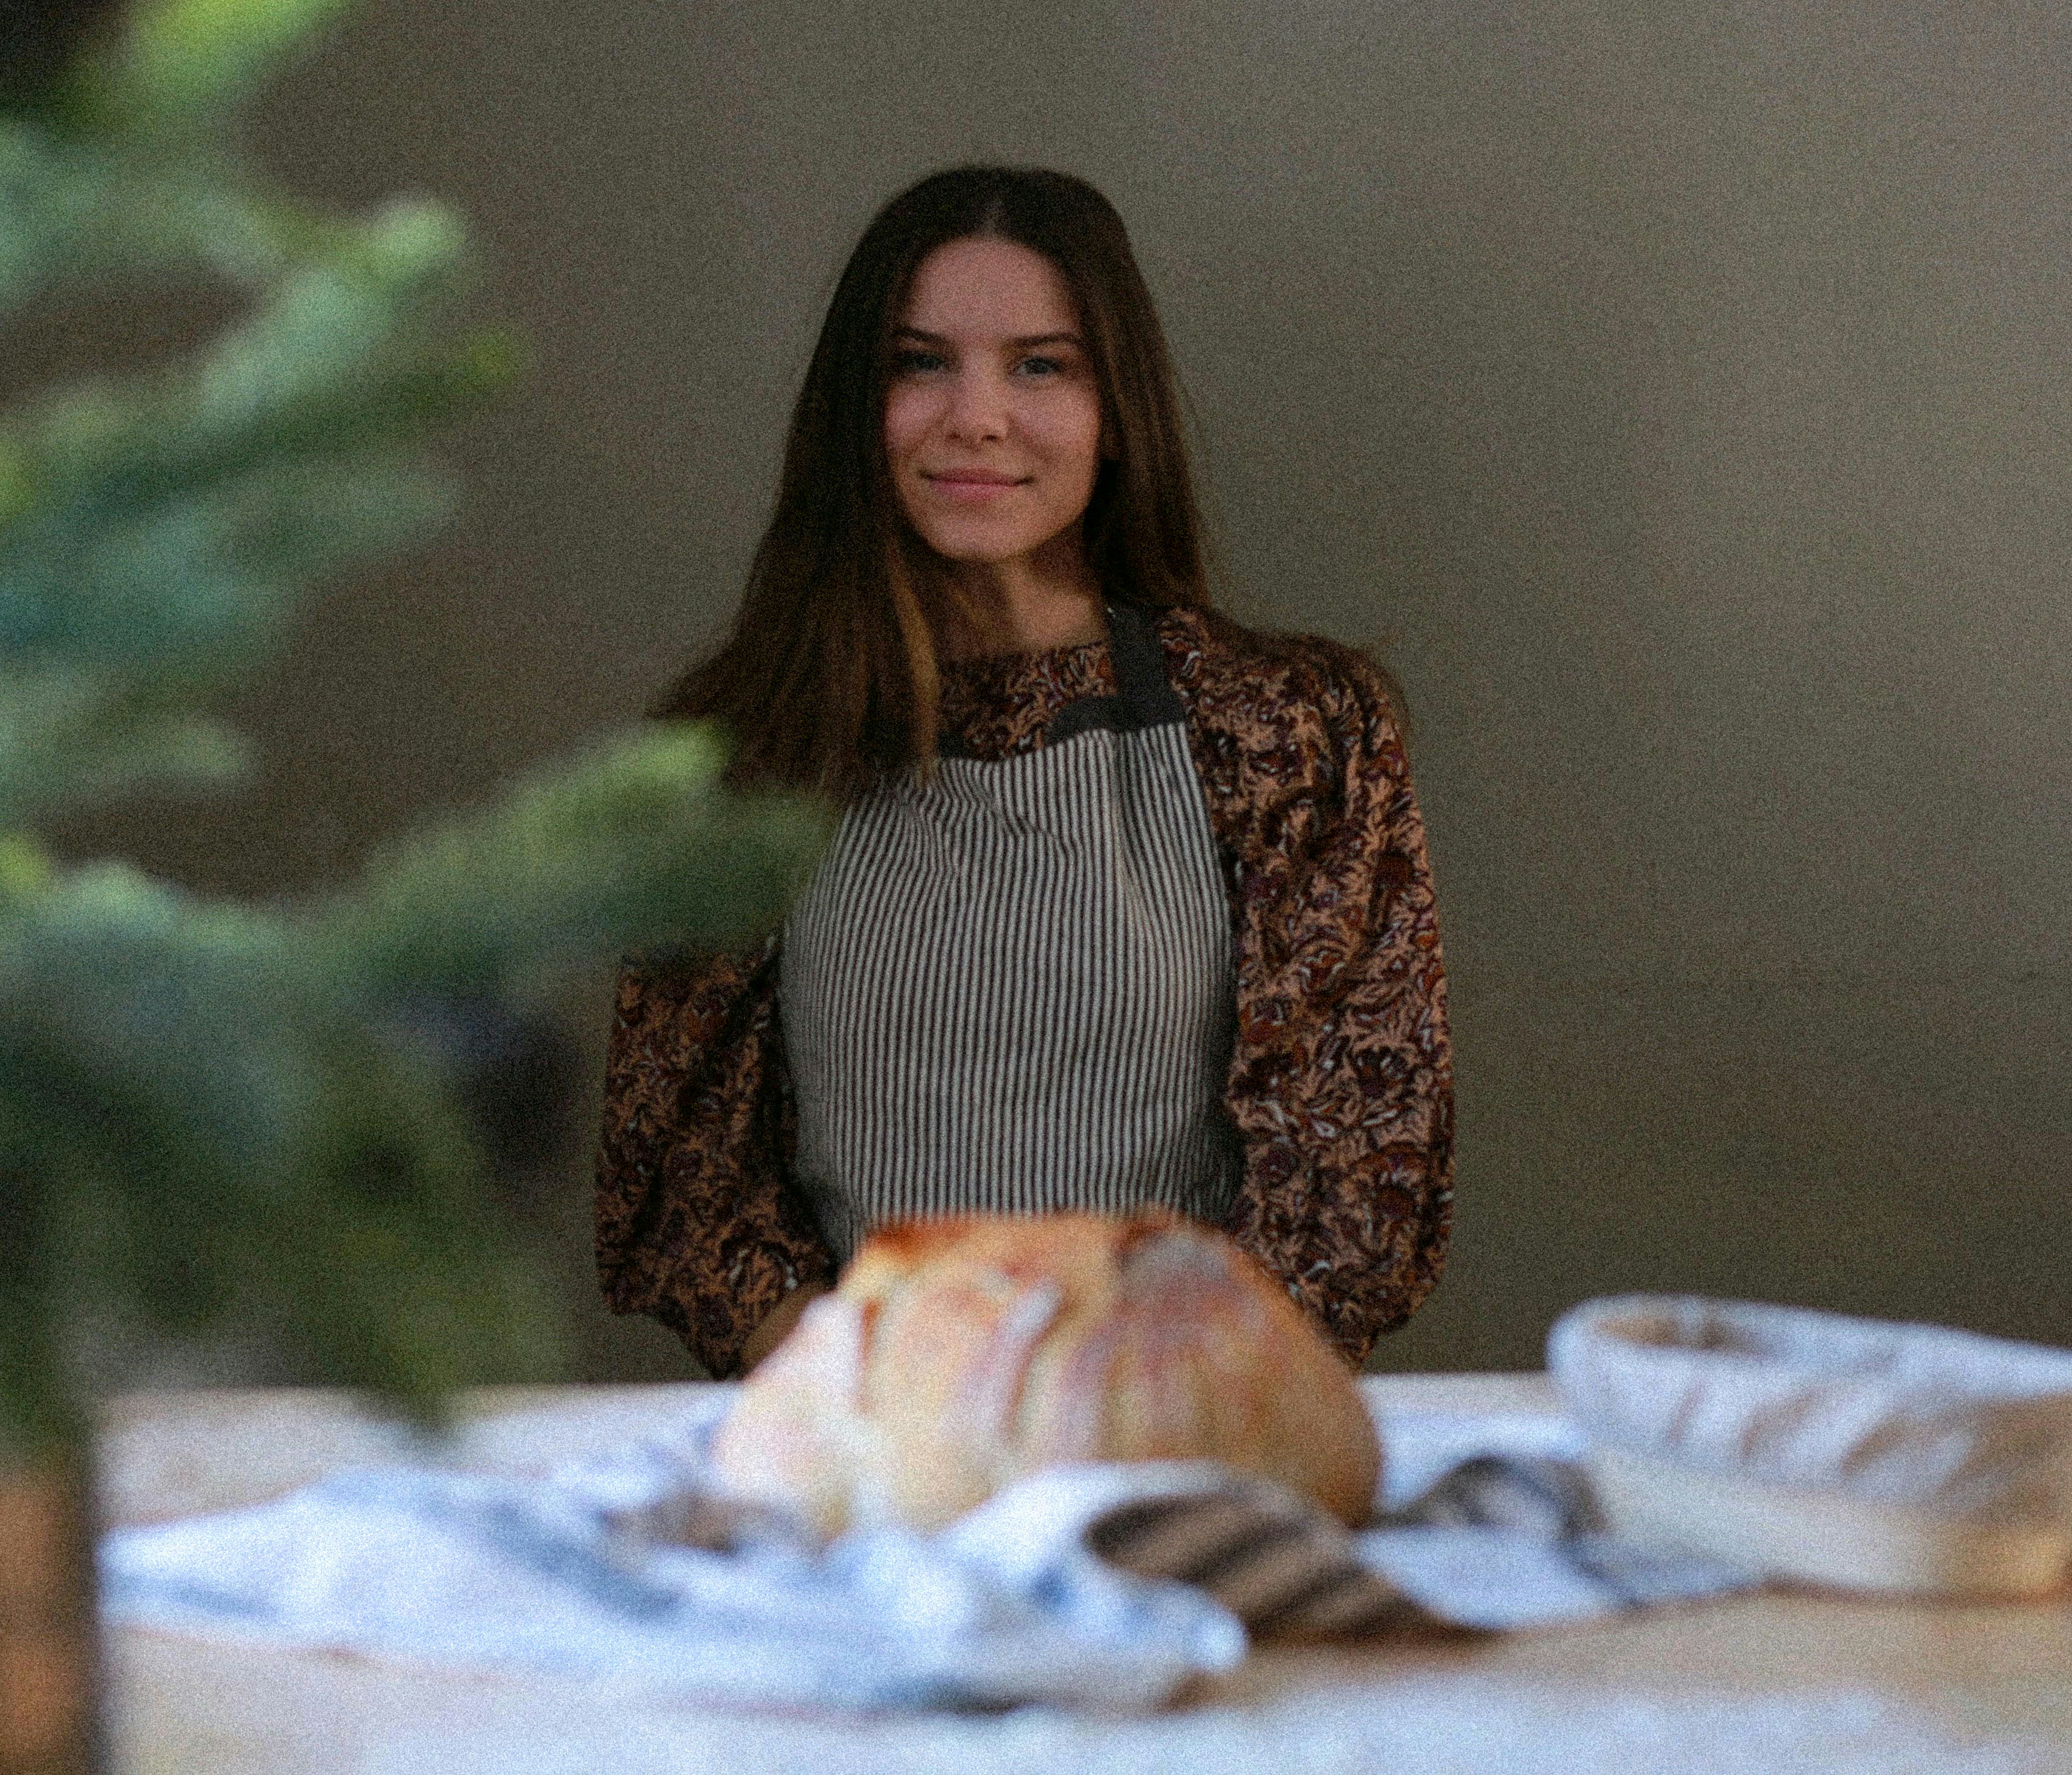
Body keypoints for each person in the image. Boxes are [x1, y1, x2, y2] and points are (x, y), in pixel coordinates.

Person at [594, 166, 1453, 1378]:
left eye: (1041, 365)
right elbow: (689, 1191)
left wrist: (1133, 1414)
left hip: (1185, 1436)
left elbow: (1354, 1181)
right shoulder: (739, 761)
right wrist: (894, 1406)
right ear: (856, 406)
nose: (978, 417)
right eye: (918, 363)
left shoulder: (1294, 734)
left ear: (1119, 408)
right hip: (877, 1458)